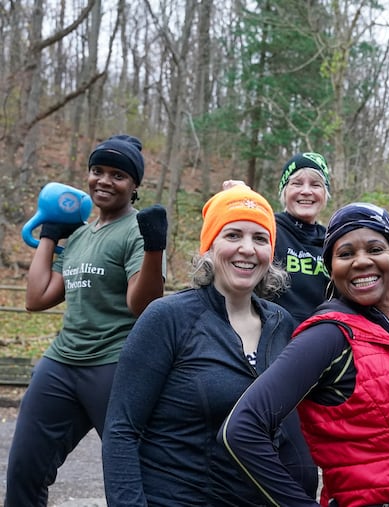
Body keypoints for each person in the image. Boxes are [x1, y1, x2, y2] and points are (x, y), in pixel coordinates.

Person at [219, 202, 389, 507]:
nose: (361, 262)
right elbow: (241, 429)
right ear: (331, 269)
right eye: (345, 254)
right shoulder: (328, 336)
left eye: (375, 249)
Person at [101, 186, 318, 505]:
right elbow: (121, 431)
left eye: (260, 239)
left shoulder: (281, 323)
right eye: (232, 235)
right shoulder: (167, 318)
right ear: (209, 246)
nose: (247, 249)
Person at [5, 134, 167, 506]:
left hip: (113, 365)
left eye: (118, 175)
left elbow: (143, 306)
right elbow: (36, 298)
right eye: (98, 171)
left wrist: (154, 248)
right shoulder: (78, 235)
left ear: (134, 185)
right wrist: (49, 232)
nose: (105, 181)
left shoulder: (135, 230)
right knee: (24, 470)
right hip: (61, 363)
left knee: (130, 476)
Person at [223, 152, 330, 323]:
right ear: (284, 191)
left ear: (325, 194)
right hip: (273, 332)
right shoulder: (267, 229)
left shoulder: (332, 240)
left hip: (322, 337)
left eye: (316, 185)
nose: (306, 191)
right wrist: (240, 197)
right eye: (297, 183)